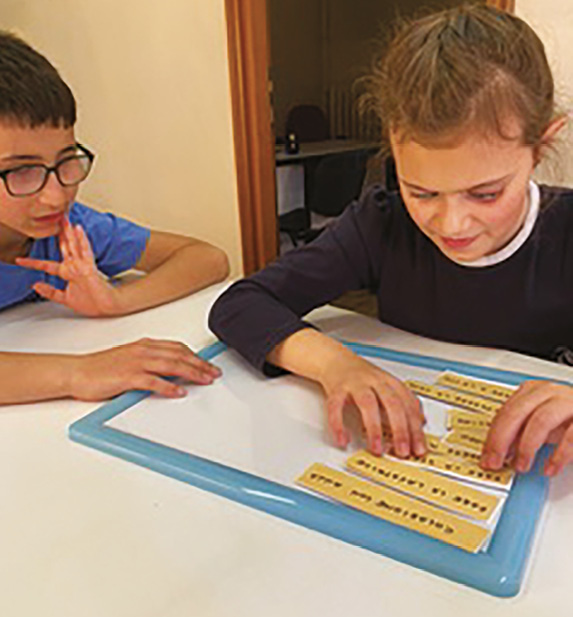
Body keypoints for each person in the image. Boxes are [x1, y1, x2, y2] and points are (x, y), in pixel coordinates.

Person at [209, 4, 573, 477]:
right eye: (421, 191)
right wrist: (336, 365)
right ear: (392, 144)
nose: (452, 223)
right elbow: (240, 304)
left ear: (541, 145)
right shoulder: (381, 224)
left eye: (485, 193)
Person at [0, 31, 229, 404]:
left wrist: (115, 301)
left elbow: (208, 259)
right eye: (22, 171)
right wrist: (79, 372)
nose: (56, 195)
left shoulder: (71, 230)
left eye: (66, 160)